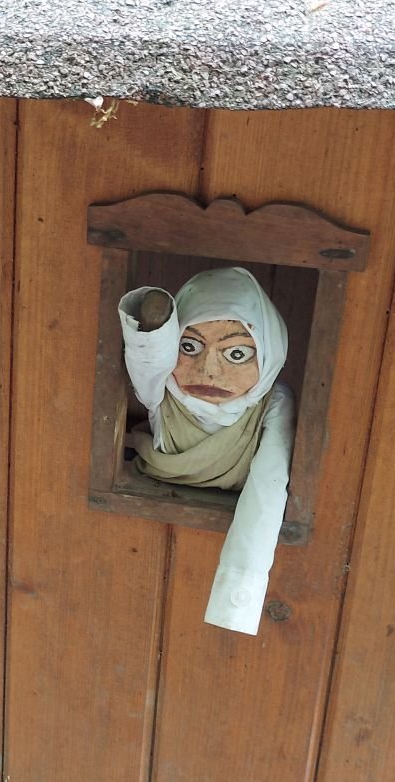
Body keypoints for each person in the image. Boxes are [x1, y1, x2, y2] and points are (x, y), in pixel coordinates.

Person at [119, 267, 295, 635]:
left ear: (270, 353)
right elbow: (147, 361)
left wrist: (238, 597)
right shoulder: (162, 389)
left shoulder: (273, 403)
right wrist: (154, 325)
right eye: (189, 347)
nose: (209, 371)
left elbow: (267, 488)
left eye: (236, 353)